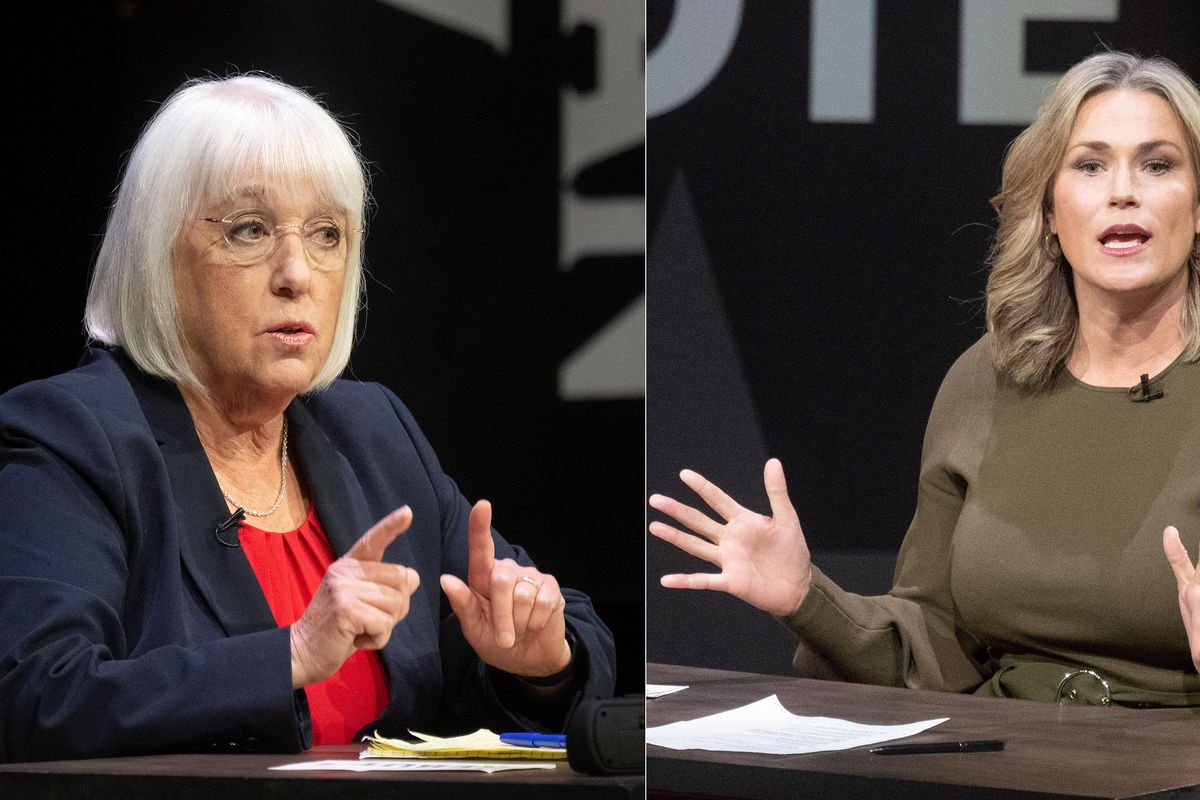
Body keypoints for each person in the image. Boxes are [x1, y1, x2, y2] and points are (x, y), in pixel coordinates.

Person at [0, 75, 614, 762]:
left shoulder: (371, 430)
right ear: (157, 259)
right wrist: (290, 653)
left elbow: (550, 631)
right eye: (249, 230)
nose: (298, 272)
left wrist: (538, 662)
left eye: (327, 234)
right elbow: (31, 696)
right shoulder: (73, 434)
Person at [650, 51, 1199, 707]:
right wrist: (805, 596)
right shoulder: (986, 379)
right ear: (1050, 212)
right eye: (1089, 165)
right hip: (1006, 758)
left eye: (1158, 164)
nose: (1123, 192)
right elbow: (935, 641)